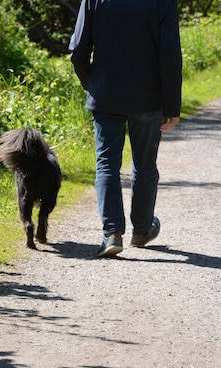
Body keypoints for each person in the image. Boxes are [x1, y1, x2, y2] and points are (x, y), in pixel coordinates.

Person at [69, 0, 183, 258]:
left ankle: (112, 234)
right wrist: (171, 104)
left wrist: (93, 84)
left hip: (106, 94)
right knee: (145, 163)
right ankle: (142, 231)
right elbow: (170, 53)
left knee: (107, 162)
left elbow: (77, 51)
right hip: (149, 98)